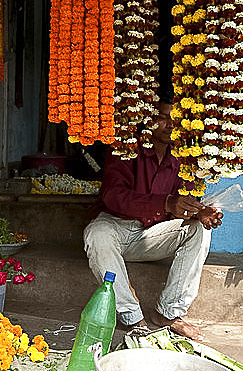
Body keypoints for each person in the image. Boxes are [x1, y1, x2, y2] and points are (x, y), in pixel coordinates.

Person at [83, 100, 223, 340]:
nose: (170, 124)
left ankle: (169, 313)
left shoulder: (182, 155)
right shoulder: (127, 147)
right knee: (97, 234)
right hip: (117, 228)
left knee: (200, 229)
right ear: (148, 120)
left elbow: (186, 199)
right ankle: (132, 316)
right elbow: (113, 196)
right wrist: (166, 203)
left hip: (152, 235)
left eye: (175, 118)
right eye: (163, 117)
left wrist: (200, 211)